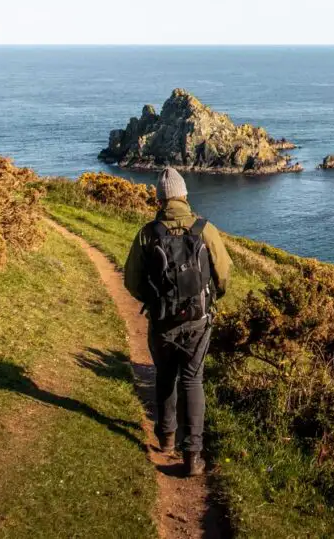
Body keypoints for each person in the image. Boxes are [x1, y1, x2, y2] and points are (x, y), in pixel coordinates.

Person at [123, 166, 231, 476]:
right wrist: (210, 300)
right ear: (184, 195)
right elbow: (224, 273)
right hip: (198, 320)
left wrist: (155, 301)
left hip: (162, 322)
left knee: (165, 376)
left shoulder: (147, 233)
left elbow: (131, 281)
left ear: (159, 198)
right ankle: (192, 456)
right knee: (192, 380)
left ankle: (167, 438)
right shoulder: (204, 229)